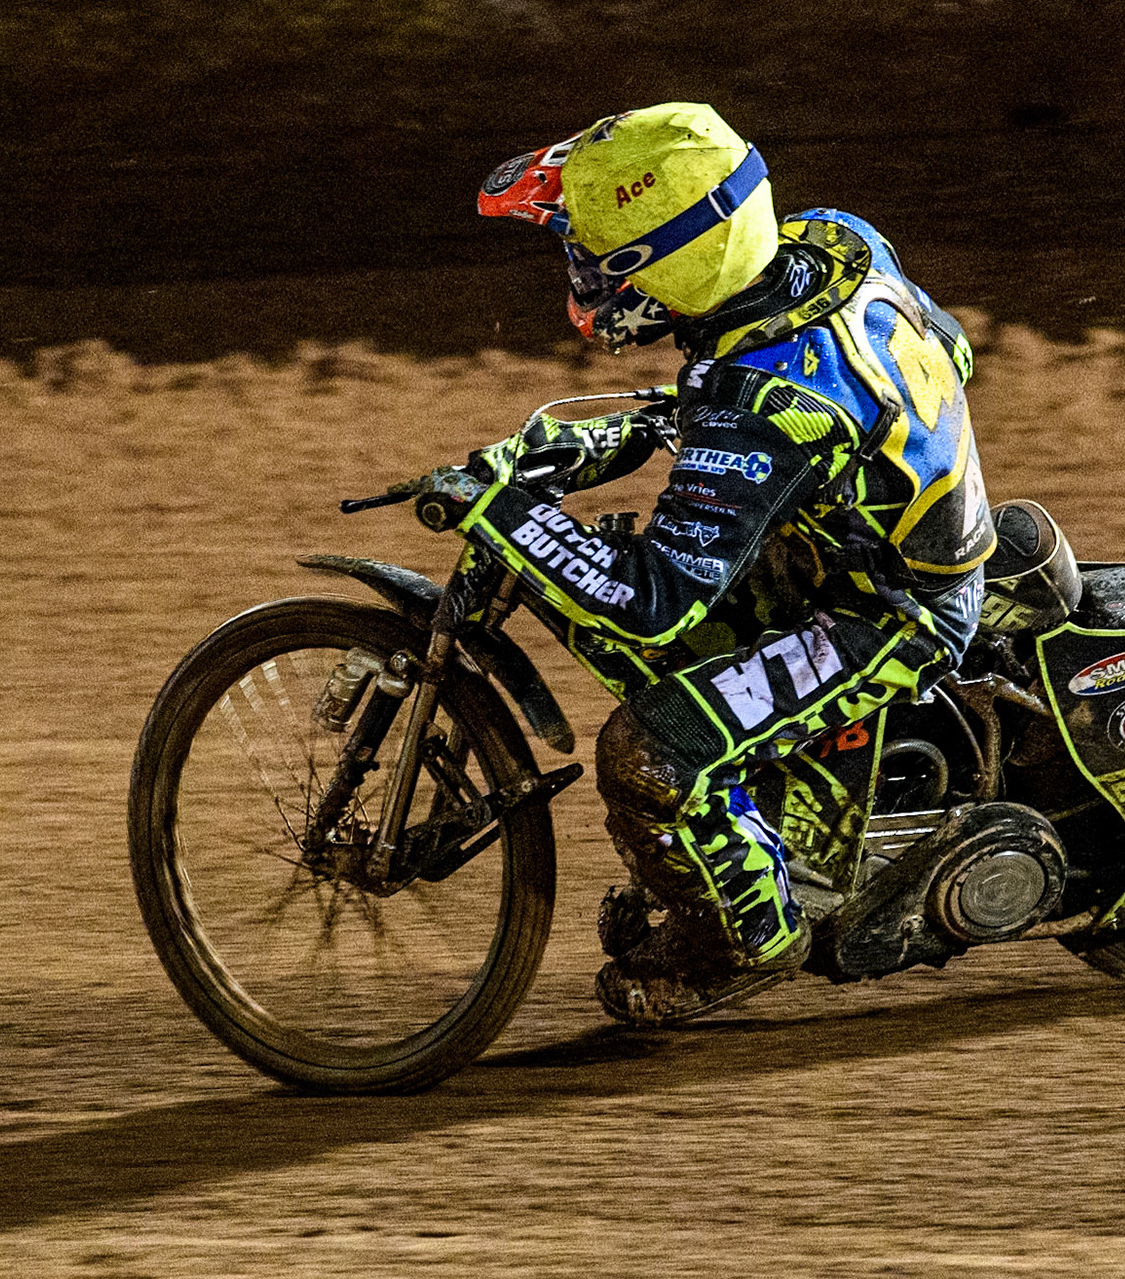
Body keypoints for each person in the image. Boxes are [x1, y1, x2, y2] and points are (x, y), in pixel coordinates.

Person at [416, 102, 993, 1024]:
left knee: (650, 752)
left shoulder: (759, 399)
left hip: (885, 614)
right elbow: (950, 342)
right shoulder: (832, 243)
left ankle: (749, 944)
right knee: (641, 561)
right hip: (861, 535)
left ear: (670, 261)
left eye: (597, 258)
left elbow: (653, 606)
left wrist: (506, 507)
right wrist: (679, 426)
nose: (580, 276)